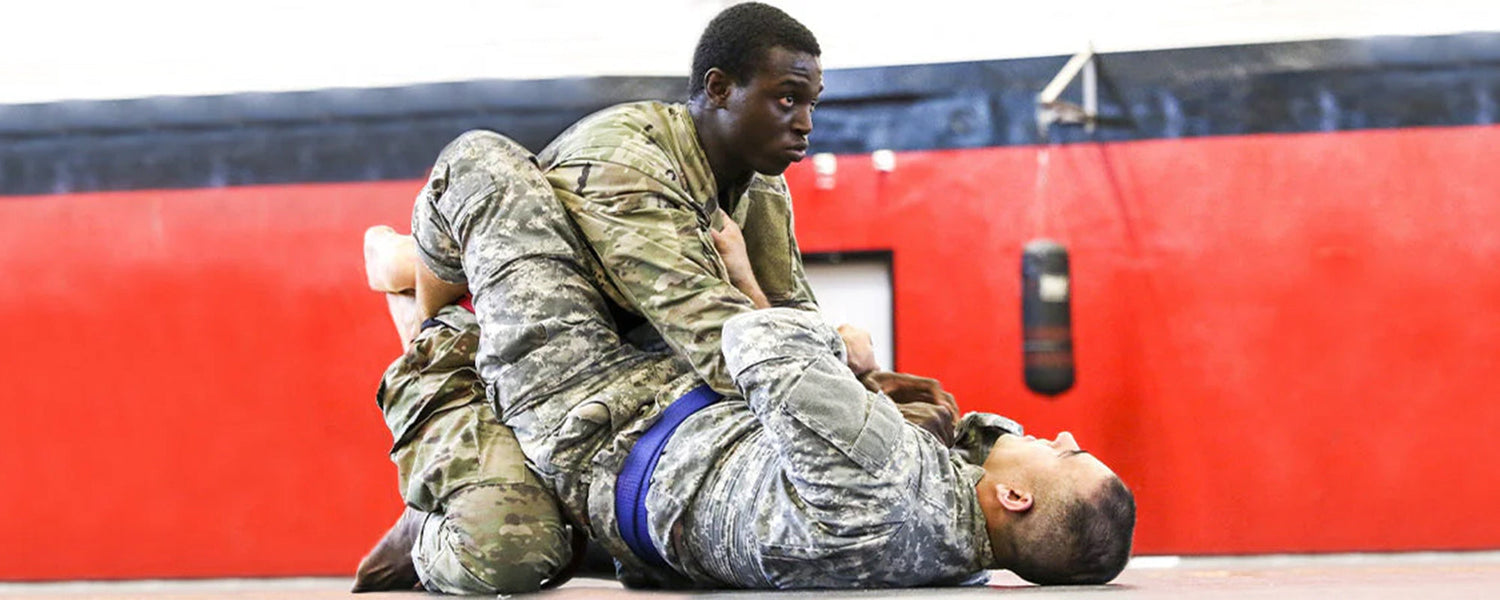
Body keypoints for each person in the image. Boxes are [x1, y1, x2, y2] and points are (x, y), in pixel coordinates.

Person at [350, 227, 580, 595]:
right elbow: (390, 263)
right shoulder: (506, 207)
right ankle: (433, 529)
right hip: (475, 353)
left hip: (606, 371)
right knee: (506, 542)